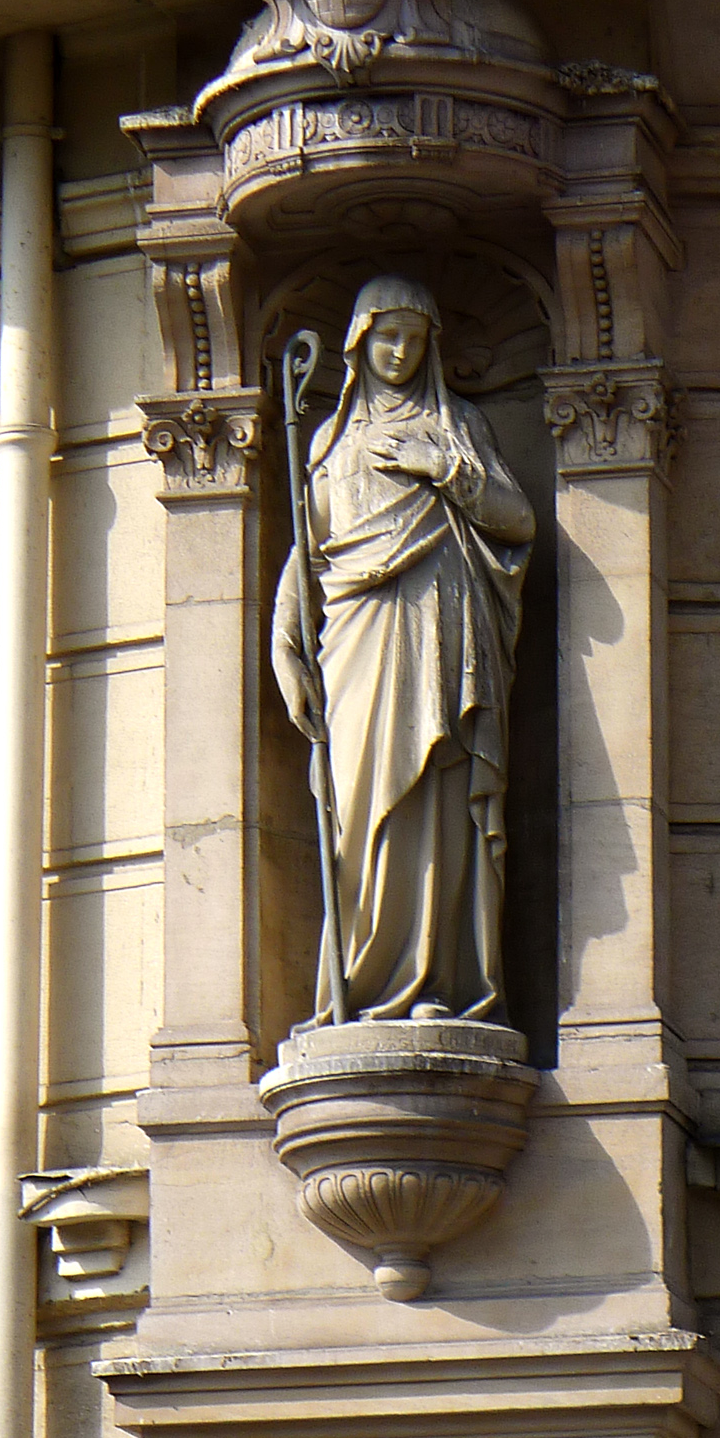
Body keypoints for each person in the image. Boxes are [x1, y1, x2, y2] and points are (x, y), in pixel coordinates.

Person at [271, 274, 535, 1025]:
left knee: (439, 802)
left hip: (442, 633)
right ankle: (362, 987)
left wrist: (443, 469)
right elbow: (306, 551)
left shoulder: (459, 427)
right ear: (360, 344)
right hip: (357, 639)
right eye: (385, 337)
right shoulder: (330, 439)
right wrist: (286, 651)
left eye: (412, 340)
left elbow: (516, 520)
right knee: (359, 808)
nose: (397, 351)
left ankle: (438, 985)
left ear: (430, 349)